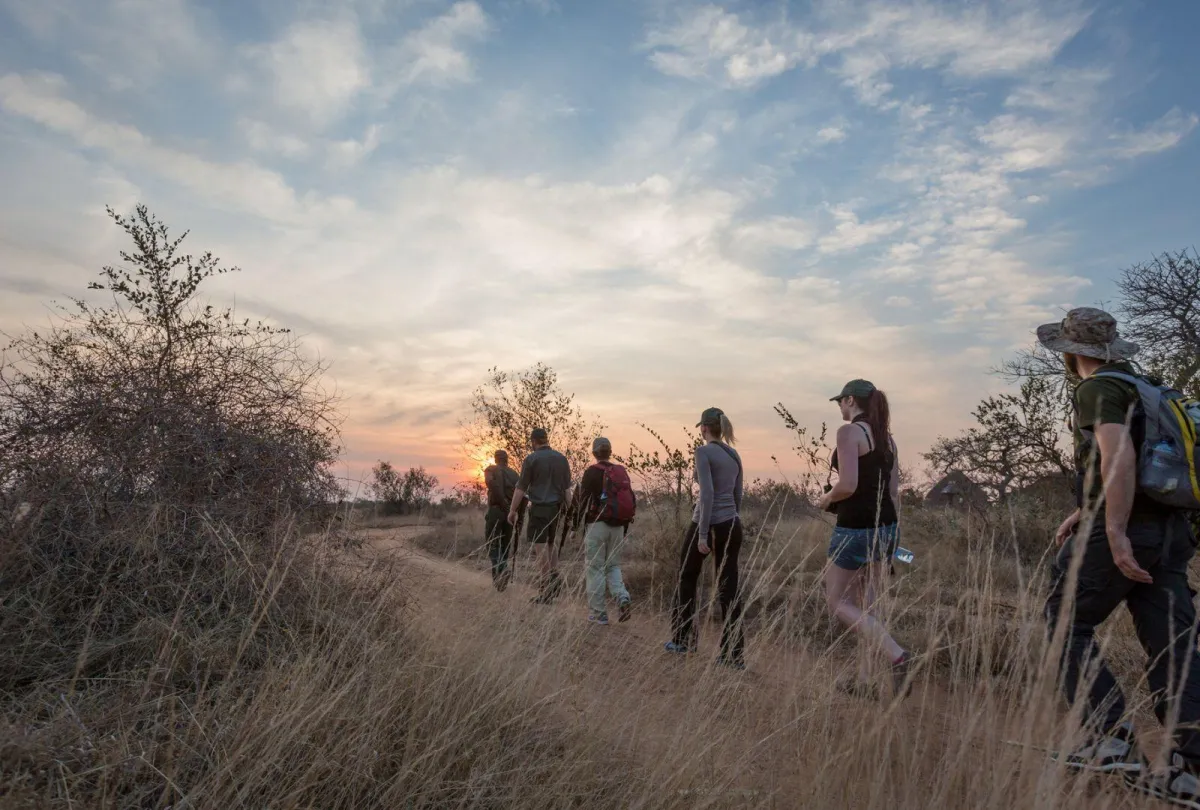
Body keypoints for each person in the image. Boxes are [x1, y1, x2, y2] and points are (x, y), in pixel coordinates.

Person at [1037, 307, 1200, 799]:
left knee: (1066, 622)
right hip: (1172, 533)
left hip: (1130, 531)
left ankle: (1109, 739)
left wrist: (1113, 529)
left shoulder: (1098, 388)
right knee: (1173, 646)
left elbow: (1119, 457)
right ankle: (1192, 769)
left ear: (1071, 353)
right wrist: (1083, 508)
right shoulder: (1148, 388)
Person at [817, 379, 912, 700]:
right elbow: (893, 492)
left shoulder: (849, 433)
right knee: (868, 608)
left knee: (838, 602)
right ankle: (865, 680)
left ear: (850, 400)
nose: (839, 407)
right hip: (886, 528)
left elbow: (847, 485)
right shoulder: (887, 439)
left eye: (840, 401)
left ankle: (898, 656)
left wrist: (826, 499)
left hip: (855, 529)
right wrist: (893, 537)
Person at [664, 407, 746, 670]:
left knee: (687, 576)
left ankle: (683, 639)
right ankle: (733, 654)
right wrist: (732, 517)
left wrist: (702, 533)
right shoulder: (734, 454)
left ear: (704, 428)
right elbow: (738, 494)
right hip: (732, 524)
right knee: (729, 587)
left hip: (707, 524)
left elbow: (707, 494)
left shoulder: (703, 452)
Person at [568, 437, 634, 626]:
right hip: (618, 526)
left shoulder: (591, 472)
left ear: (594, 453)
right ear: (610, 452)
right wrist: (624, 528)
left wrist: (575, 527)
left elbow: (581, 501)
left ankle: (599, 614)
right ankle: (622, 596)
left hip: (597, 526)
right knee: (613, 566)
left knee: (595, 568)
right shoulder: (620, 472)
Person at [509, 427, 572, 604]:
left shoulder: (532, 459)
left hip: (539, 508)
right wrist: (570, 511)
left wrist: (512, 510)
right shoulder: (561, 459)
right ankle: (554, 576)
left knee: (540, 548)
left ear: (533, 441)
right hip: (556, 509)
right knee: (551, 543)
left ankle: (546, 588)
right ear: (546, 439)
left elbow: (521, 488)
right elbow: (567, 490)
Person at [483, 450, 522, 592]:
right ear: (507, 459)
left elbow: (490, 482)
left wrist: (503, 503)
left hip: (496, 510)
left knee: (492, 543)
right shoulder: (515, 474)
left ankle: (502, 568)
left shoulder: (490, 469)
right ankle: (499, 582)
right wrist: (519, 516)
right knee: (505, 545)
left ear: (496, 459)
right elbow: (522, 494)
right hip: (511, 514)